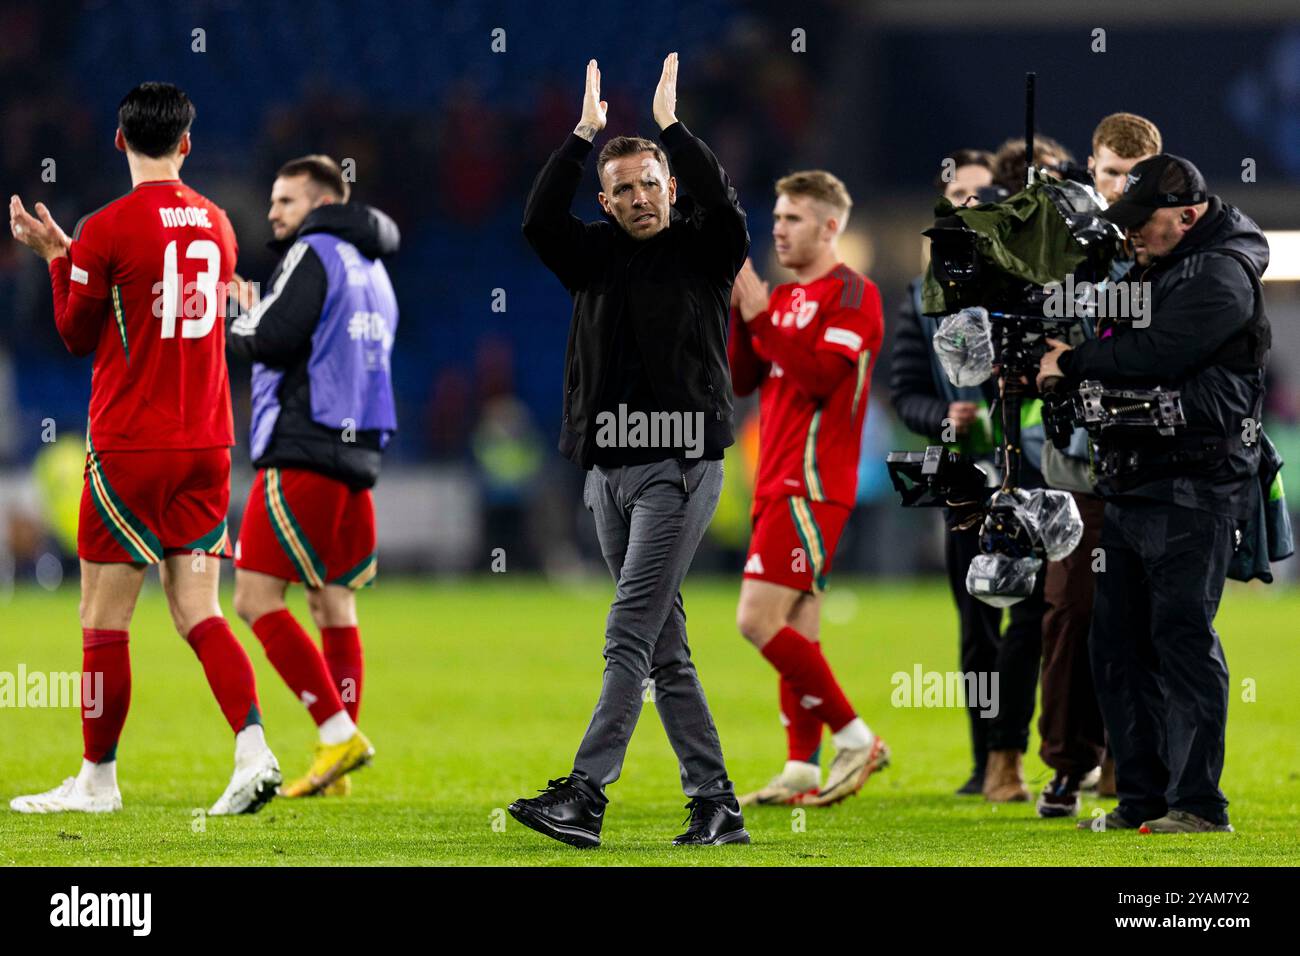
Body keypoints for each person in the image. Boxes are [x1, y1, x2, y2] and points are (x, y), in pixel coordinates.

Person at [8, 82, 281, 815]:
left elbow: (74, 332)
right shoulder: (218, 224)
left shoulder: (108, 226)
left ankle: (97, 781)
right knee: (199, 609)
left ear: (119, 140)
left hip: (132, 447)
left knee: (103, 618)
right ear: (186, 144)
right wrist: (75, 255)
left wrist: (58, 257)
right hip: (207, 444)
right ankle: (253, 748)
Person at [510, 54, 750, 848]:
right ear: (605, 202)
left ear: (671, 187)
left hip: (678, 468)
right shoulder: (594, 257)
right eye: (624, 189)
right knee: (663, 649)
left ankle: (586, 792)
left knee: (626, 634)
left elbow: (722, 205)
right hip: (607, 476)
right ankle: (716, 804)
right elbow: (539, 223)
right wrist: (580, 136)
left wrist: (676, 129)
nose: (641, 197)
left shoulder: (705, 250)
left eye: (652, 182)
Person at [1038, 154, 1269, 833]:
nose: (1133, 234)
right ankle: (1141, 798)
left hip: (1195, 484)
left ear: (1188, 217)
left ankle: (1199, 804)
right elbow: (1128, 339)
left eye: (1145, 222)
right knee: (1116, 643)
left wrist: (1072, 362)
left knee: (1181, 635)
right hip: (1138, 478)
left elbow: (1158, 353)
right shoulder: (1164, 267)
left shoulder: (1221, 273)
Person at [227, 155, 400, 798]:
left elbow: (272, 340)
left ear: (323, 205)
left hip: (305, 448)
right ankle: (337, 763)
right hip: (359, 457)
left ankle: (335, 733)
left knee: (252, 598)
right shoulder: (375, 269)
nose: (273, 212)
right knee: (334, 603)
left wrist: (231, 320)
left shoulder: (313, 252)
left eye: (286, 201)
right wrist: (265, 312)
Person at [890, 148, 1048, 801]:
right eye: (958, 197)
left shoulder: (1032, 284)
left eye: (983, 197)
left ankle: (1051, 749)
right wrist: (945, 418)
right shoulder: (920, 299)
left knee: (1040, 614)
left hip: (1036, 474)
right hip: (964, 479)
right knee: (978, 621)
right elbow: (904, 394)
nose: (969, 207)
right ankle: (988, 760)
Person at [727, 170, 888, 807]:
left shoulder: (854, 294)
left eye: (793, 218)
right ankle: (801, 766)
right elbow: (745, 378)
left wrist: (763, 317)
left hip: (812, 483)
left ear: (829, 226)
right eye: (776, 218)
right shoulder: (786, 298)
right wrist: (743, 316)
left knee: (755, 620)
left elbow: (821, 376)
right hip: (775, 479)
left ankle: (856, 737)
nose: (779, 229)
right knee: (800, 625)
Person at [1035, 113, 1162, 817]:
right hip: (1075, 470)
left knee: (1145, 619)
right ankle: (1068, 762)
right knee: (1070, 612)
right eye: (1109, 173)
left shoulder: (1166, 248)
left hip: (1149, 467)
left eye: (1133, 176)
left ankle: (1132, 761)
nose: (1118, 188)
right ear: (1091, 166)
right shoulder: (1058, 246)